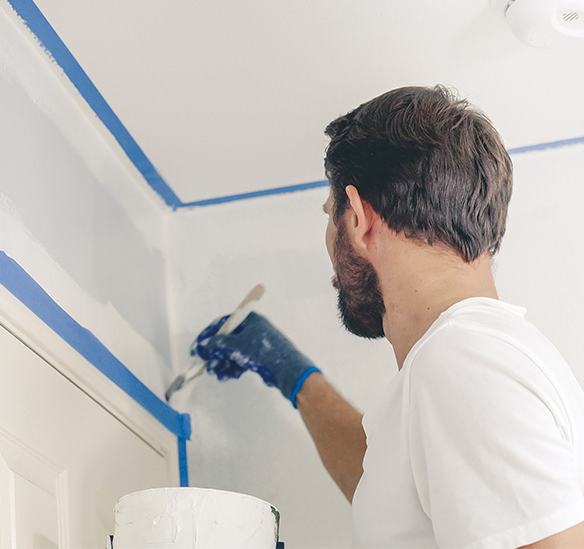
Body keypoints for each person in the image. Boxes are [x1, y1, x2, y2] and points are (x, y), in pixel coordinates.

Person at [193, 85, 584, 548]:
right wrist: (292, 374)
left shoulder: (460, 362)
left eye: (329, 214)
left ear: (357, 218)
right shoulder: (473, 358)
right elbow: (386, 490)